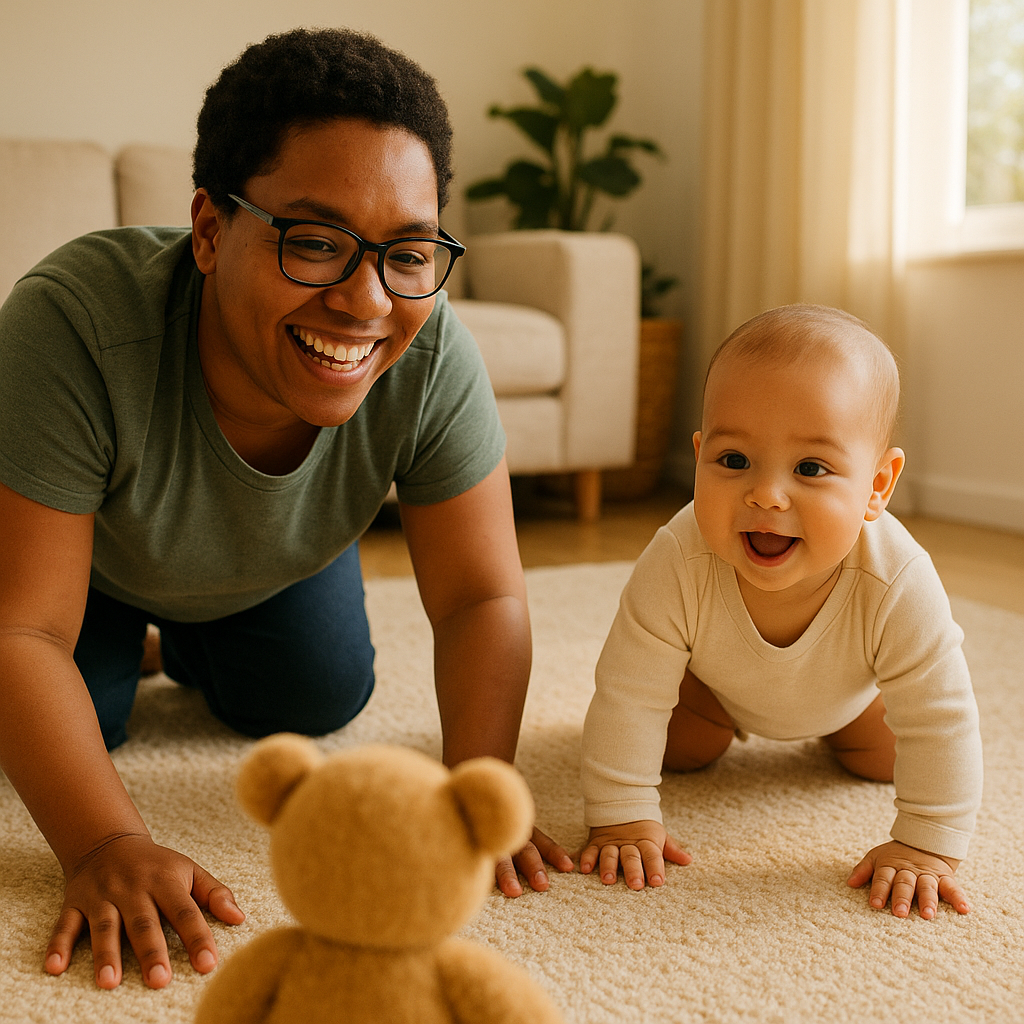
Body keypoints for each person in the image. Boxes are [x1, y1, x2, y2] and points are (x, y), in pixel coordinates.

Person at [0, 27, 572, 991]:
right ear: (213, 230)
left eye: (409, 254)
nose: (366, 299)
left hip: (275, 565)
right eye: (314, 243)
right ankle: (130, 641)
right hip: (80, 574)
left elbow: (481, 597)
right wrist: (103, 841)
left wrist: (481, 795)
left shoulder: (432, 360)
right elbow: (22, 627)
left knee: (318, 696)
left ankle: (176, 642)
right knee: (74, 718)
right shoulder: (74, 325)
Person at [577, 304, 983, 920]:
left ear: (877, 486)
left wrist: (927, 841)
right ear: (698, 457)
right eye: (734, 460)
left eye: (811, 468)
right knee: (680, 748)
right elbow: (627, 692)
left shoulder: (896, 577)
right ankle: (709, 722)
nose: (766, 494)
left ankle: (846, 732)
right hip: (716, 692)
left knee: (884, 760)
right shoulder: (679, 560)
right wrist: (622, 815)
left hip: (854, 698)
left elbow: (943, 717)